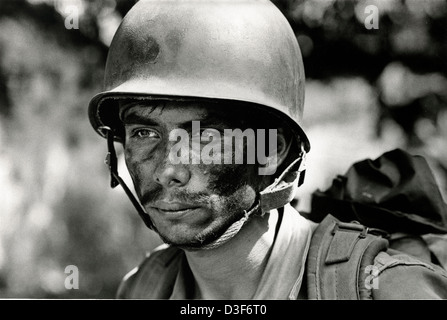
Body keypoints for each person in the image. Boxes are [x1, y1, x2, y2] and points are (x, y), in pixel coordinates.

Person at [88, 0, 447, 299]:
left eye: (204, 136)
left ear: (271, 150)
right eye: (144, 133)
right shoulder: (144, 288)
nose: (169, 169)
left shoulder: (390, 291)